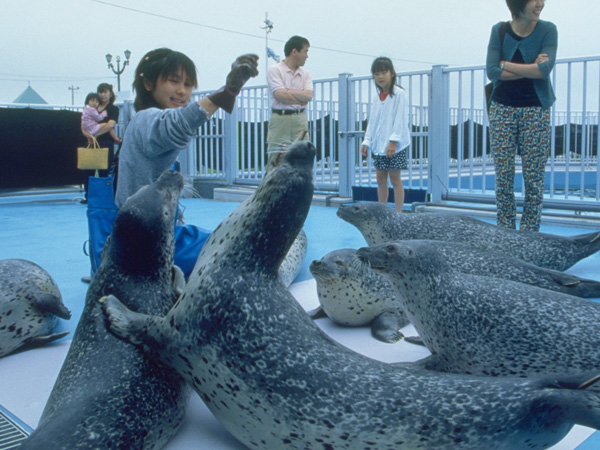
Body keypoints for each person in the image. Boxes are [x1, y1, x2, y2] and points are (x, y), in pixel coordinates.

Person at [486, 0, 557, 231]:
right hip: (501, 109)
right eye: (533, 0)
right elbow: (492, 71)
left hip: (536, 109)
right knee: (503, 177)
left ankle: (529, 233)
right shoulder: (499, 30)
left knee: (534, 178)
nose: (540, 4)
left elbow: (544, 70)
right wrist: (530, 69)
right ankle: (505, 231)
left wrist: (507, 64)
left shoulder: (548, 30)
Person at [360, 57, 411, 212]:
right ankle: (382, 211)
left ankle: (398, 213)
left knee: (395, 179)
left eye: (384, 72)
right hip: (379, 146)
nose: (380, 77)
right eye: (376, 74)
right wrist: (366, 141)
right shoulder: (376, 99)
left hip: (396, 146)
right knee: (380, 179)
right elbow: (373, 122)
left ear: (392, 73)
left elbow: (400, 120)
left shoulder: (399, 95)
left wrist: (393, 141)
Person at [265, 35, 313, 170]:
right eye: (305, 51)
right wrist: (300, 97)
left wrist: (287, 92)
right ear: (294, 52)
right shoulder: (275, 70)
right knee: (276, 160)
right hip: (281, 119)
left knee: (303, 159)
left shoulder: (306, 74)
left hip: (300, 119)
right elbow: (279, 95)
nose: (306, 56)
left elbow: (309, 95)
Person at [80, 83, 121, 203]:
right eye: (100, 92)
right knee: (88, 170)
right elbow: (83, 124)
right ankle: (89, 196)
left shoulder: (113, 109)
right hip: (89, 142)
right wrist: (87, 135)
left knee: (104, 171)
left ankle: (104, 197)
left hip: (105, 143)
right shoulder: (92, 108)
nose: (103, 95)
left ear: (110, 93)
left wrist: (95, 135)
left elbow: (110, 125)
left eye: (105, 92)